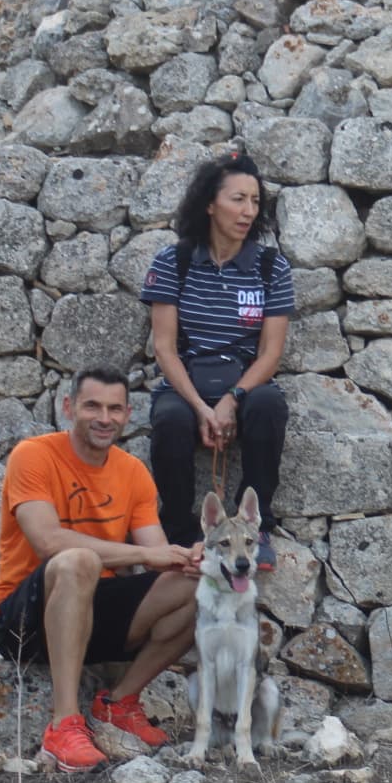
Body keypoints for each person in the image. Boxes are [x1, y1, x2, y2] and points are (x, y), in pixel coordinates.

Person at [0, 366, 203, 773]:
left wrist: (192, 558)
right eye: (92, 406)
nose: (105, 418)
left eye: (114, 409)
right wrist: (145, 556)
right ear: (69, 407)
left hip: (94, 616)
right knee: (78, 560)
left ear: (127, 414)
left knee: (198, 583)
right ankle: (63, 725)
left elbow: (157, 555)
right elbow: (47, 542)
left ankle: (118, 704)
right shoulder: (33, 455)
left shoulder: (132, 472)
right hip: (24, 621)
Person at [141, 151, 294, 569]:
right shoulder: (174, 262)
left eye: (255, 201)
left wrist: (231, 400)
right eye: (237, 199)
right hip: (186, 383)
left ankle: (256, 527)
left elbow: (271, 352)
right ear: (210, 203)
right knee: (170, 421)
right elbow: (164, 348)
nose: (248, 211)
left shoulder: (270, 267)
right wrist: (200, 407)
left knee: (268, 406)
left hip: (244, 382)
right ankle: (179, 531)